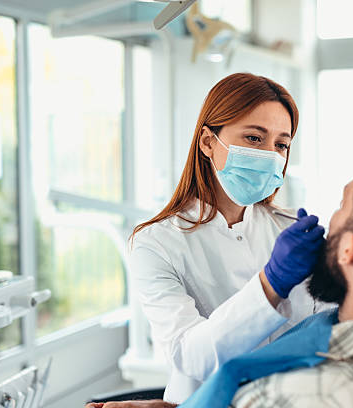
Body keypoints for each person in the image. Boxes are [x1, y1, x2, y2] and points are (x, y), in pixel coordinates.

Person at [86, 145, 353, 408]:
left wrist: (273, 283)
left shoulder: (309, 395)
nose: (330, 221)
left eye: (341, 206)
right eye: (254, 139)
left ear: (349, 249)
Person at [127, 73, 328, 403]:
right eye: (254, 138)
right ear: (208, 142)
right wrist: (271, 283)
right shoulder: (155, 243)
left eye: (281, 144)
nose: (270, 155)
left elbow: (330, 329)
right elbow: (191, 357)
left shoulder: (292, 230)